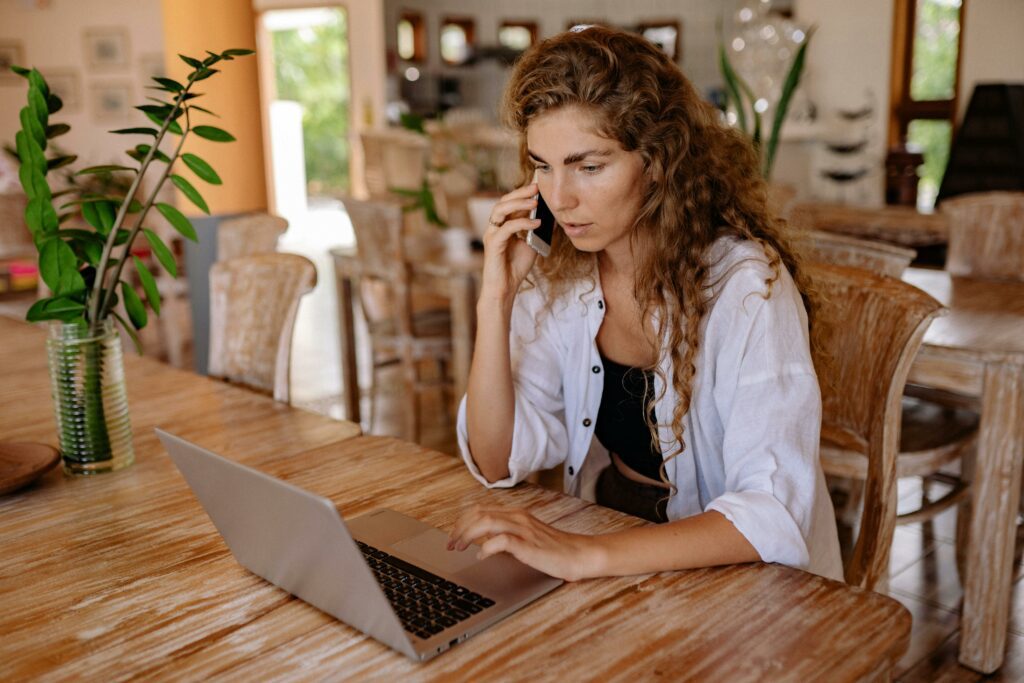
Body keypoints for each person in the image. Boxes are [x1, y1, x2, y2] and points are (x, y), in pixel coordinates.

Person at [447, 26, 842, 583]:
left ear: (656, 161)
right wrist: (496, 299)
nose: (559, 198)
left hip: (732, 568)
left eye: (588, 166)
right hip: (612, 525)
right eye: (542, 165)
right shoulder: (564, 275)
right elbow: (496, 461)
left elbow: (771, 512)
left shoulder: (745, 287)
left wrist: (585, 556)